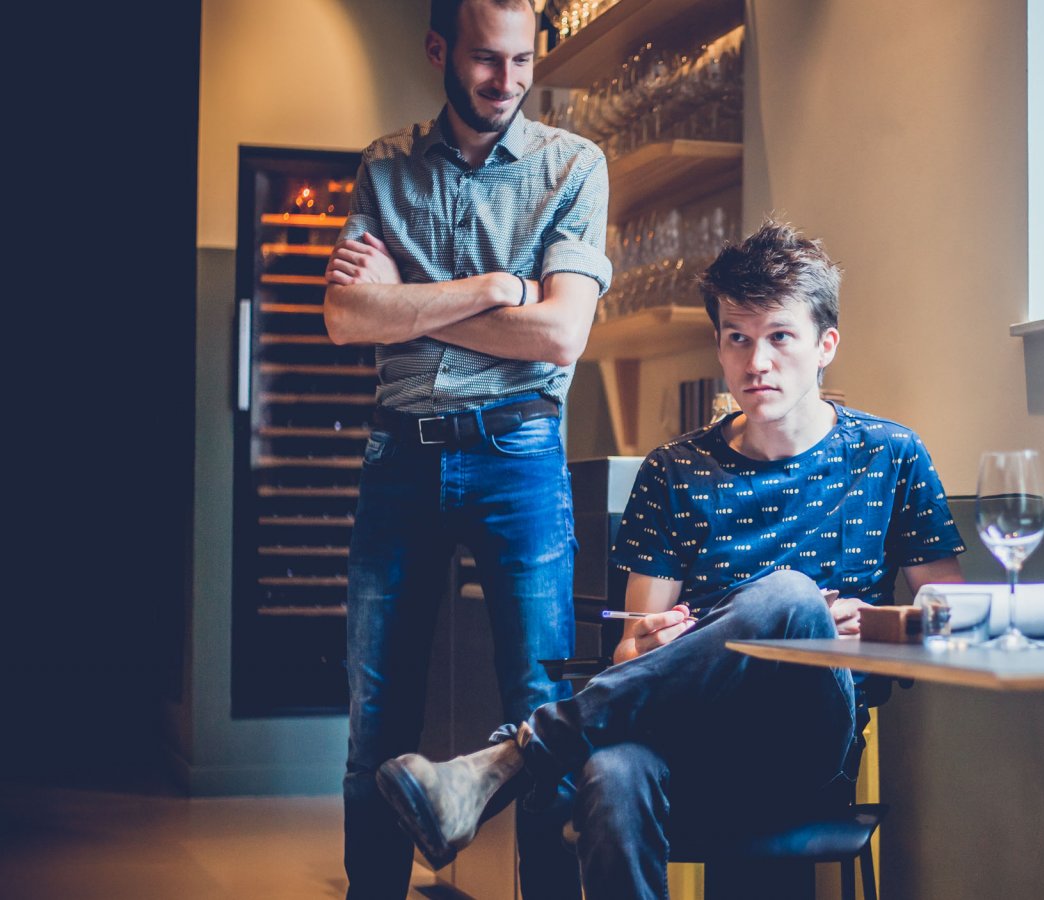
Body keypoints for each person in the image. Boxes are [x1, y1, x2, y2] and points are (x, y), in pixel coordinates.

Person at [375, 222, 967, 899]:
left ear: (825, 345)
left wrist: (874, 622)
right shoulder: (676, 470)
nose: (757, 362)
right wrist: (647, 642)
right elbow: (632, 652)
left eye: (780, 336)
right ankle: (532, 753)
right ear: (717, 345)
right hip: (692, 732)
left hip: (807, 744)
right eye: (737, 338)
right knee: (610, 774)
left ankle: (516, 755)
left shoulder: (890, 456)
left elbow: (951, 616)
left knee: (793, 597)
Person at [321, 1, 610, 897]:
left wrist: (409, 305)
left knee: (539, 711)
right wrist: (491, 290)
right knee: (376, 718)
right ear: (440, 52)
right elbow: (344, 318)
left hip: (519, 454)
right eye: (489, 61)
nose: (510, 82)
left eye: (525, 60)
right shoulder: (385, 167)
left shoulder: (574, 165)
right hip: (398, 457)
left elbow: (561, 336)